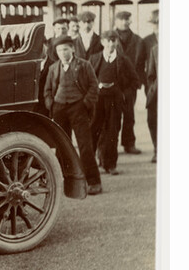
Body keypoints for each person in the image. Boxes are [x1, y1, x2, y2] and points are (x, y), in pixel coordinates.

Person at [43, 35, 102, 195]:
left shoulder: (84, 65)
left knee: (85, 146)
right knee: (62, 146)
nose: (63, 53)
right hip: (59, 109)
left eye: (66, 49)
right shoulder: (53, 68)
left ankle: (94, 181)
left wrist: (85, 104)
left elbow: (94, 86)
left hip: (78, 108)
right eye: (59, 50)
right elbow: (47, 90)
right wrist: (52, 104)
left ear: (73, 49)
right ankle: (66, 181)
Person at [89, 29, 139, 175]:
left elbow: (135, 82)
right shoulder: (94, 58)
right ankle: (89, 164)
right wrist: (98, 86)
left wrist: (122, 94)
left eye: (113, 41)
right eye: (108, 41)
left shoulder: (123, 60)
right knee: (93, 131)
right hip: (97, 102)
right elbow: (87, 80)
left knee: (112, 132)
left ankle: (110, 165)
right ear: (102, 42)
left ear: (117, 42)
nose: (111, 44)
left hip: (114, 103)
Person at [113, 10, 145, 155]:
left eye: (127, 19)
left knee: (129, 115)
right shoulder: (109, 39)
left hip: (130, 85)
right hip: (113, 84)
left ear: (130, 21)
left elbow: (142, 64)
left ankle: (129, 143)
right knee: (112, 116)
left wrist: (137, 83)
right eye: (121, 19)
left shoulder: (138, 40)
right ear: (116, 21)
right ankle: (110, 145)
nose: (124, 22)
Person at [145, 40, 158, 163]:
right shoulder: (155, 49)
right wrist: (152, 90)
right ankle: (157, 150)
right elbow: (150, 75)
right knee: (152, 120)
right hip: (157, 93)